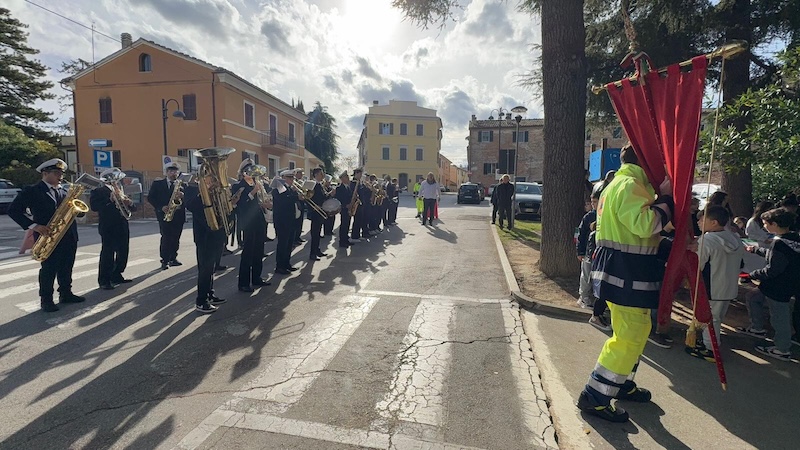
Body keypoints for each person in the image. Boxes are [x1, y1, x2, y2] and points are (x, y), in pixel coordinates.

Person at [577, 144, 674, 423]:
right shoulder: (631, 185)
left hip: (624, 272)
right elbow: (645, 225)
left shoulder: (619, 184)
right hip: (627, 274)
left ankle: (620, 382)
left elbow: (636, 234)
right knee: (629, 336)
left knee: (635, 330)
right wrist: (666, 199)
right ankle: (595, 396)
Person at [7, 158, 85, 312]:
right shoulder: (32, 190)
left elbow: (74, 212)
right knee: (49, 268)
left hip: (68, 235)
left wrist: (77, 210)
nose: (60, 176)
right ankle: (46, 299)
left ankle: (65, 293)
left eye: (61, 173)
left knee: (67, 266)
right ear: (45, 173)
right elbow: (13, 210)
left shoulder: (64, 191)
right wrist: (35, 226)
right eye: (56, 173)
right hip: (47, 236)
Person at [738, 207, 800, 361]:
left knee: (779, 316)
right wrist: (756, 250)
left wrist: (752, 274)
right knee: (753, 297)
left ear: (774, 224)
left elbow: (773, 268)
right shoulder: (793, 239)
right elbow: (775, 257)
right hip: (787, 283)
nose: (764, 226)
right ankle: (757, 328)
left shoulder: (779, 244)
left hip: (777, 286)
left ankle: (782, 348)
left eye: (766, 223)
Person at [686, 206, 744, 361]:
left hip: (713, 285)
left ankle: (710, 348)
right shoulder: (734, 238)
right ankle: (709, 343)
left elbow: (698, 264)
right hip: (729, 285)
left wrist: (692, 252)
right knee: (717, 316)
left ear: (714, 222)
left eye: (702, 219)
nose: (698, 222)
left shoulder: (708, 241)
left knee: (711, 319)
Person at [184, 179, 227, 314]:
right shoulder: (192, 189)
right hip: (204, 236)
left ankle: (210, 294)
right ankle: (201, 301)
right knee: (204, 269)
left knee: (211, 268)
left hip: (216, 233)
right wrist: (205, 191)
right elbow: (190, 205)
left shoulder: (217, 190)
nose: (212, 180)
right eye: (208, 177)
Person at [91, 168, 135, 290]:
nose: (116, 181)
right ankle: (104, 280)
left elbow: (133, 208)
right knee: (108, 253)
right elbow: (94, 207)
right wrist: (109, 200)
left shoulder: (121, 191)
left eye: (117, 179)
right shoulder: (98, 191)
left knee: (123, 251)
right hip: (108, 225)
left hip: (122, 224)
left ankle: (117, 274)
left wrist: (130, 203)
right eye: (113, 179)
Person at [232, 159, 271, 292]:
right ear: (243, 172)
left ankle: (256, 278)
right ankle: (243, 283)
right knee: (248, 253)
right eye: (249, 170)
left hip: (259, 220)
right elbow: (241, 204)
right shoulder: (238, 185)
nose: (252, 172)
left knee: (259, 250)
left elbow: (259, 201)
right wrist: (253, 191)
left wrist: (266, 203)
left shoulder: (257, 183)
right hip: (248, 222)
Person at [147, 162, 185, 271]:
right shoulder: (158, 184)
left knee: (176, 237)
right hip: (164, 214)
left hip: (178, 215)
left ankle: (173, 258)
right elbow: (150, 198)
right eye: (171, 171)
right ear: (167, 172)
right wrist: (160, 207)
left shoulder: (182, 185)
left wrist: (183, 196)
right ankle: (164, 260)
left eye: (175, 171)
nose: (173, 173)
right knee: (166, 237)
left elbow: (188, 200)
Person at [273, 170, 300, 274]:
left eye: (292, 178)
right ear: (283, 178)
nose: (292, 180)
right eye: (290, 178)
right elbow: (284, 201)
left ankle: (286, 263)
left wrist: (295, 193)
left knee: (289, 244)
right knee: (282, 244)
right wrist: (296, 196)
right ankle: (280, 266)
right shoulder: (278, 187)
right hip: (282, 221)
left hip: (290, 220)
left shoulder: (288, 188)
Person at [576, 190, 599, 309]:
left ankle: (592, 297)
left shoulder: (605, 215)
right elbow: (581, 234)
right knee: (586, 275)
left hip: (598, 252)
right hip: (588, 251)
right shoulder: (589, 216)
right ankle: (583, 297)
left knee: (595, 276)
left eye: (595, 202)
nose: (593, 204)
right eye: (592, 202)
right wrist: (580, 251)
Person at [308, 168, 328, 261]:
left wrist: (330, 194)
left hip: (320, 211)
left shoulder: (320, 184)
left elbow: (323, 197)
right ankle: (312, 253)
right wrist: (313, 207)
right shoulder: (313, 184)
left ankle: (317, 250)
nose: (322, 175)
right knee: (315, 233)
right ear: (316, 175)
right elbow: (307, 198)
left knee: (318, 233)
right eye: (321, 174)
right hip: (315, 212)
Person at [350, 168, 370, 241]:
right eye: (360, 174)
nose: (361, 175)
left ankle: (358, 235)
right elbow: (353, 192)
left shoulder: (360, 182)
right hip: (357, 204)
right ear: (356, 174)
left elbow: (364, 191)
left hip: (361, 203)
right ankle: (354, 236)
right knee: (356, 220)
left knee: (360, 220)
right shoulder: (353, 182)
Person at [335, 172, 354, 248]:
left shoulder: (348, 187)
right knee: (343, 225)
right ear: (342, 179)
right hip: (344, 209)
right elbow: (338, 199)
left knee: (347, 225)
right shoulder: (339, 188)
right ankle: (342, 242)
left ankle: (346, 239)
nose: (348, 178)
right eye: (346, 177)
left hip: (349, 208)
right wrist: (345, 205)